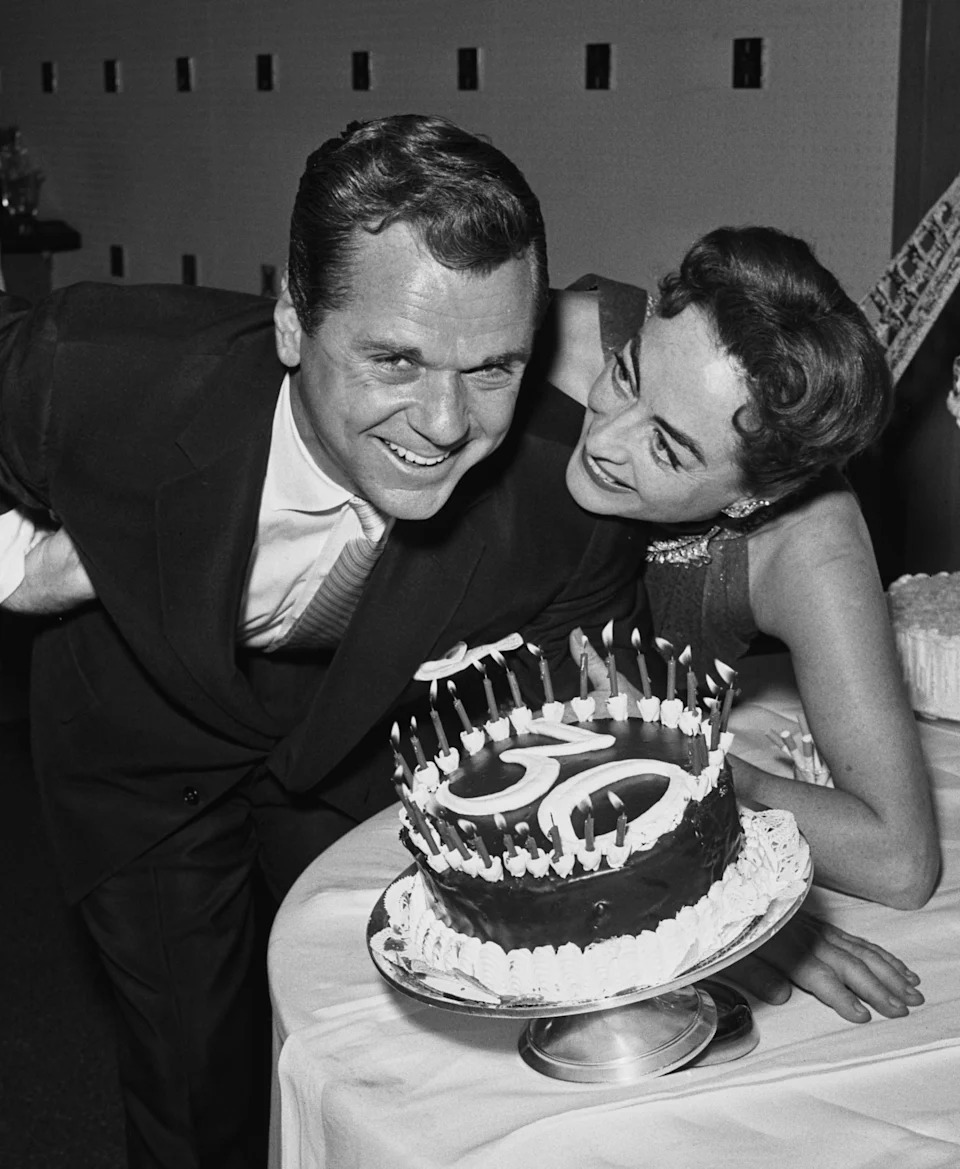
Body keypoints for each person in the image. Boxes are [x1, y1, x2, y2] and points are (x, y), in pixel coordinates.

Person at [0, 114, 653, 1169]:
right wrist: (16, 566)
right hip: (137, 737)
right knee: (193, 1075)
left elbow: (597, 747)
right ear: (296, 321)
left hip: (355, 748)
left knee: (390, 1040)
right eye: (395, 357)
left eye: (493, 367)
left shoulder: (560, 511)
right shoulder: (94, 371)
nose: (445, 422)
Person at [544, 225, 940, 1019]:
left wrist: (709, 788)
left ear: (752, 498)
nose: (607, 439)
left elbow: (899, 859)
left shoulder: (810, 542)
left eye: (671, 449)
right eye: (626, 378)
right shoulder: (550, 341)